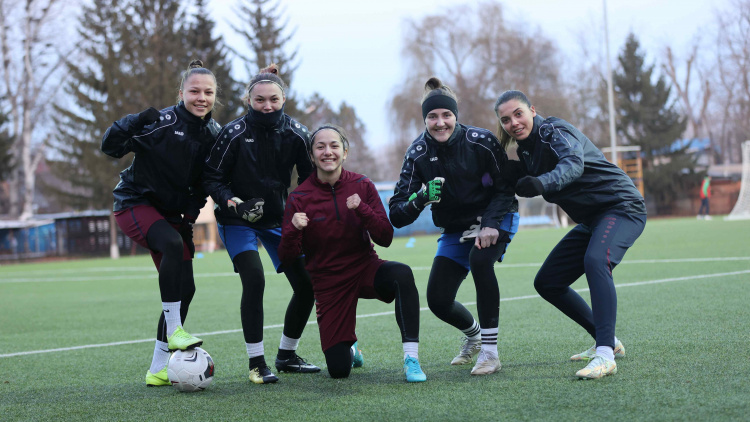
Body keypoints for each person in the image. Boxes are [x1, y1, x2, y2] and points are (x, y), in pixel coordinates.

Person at [494, 90, 647, 380]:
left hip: (621, 206)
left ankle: (604, 356)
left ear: (532, 111)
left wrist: (541, 182)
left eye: (518, 114)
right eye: (505, 120)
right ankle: (610, 343)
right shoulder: (524, 153)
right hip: (592, 221)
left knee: (595, 260)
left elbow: (573, 164)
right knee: (548, 282)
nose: (513, 122)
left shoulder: (555, 131)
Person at [101, 60, 221, 387]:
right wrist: (136, 120)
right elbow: (110, 146)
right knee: (169, 245)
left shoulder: (214, 134)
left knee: (187, 288)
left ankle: (157, 368)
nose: (201, 97)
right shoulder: (162, 123)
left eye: (208, 92)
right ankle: (176, 332)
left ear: (215, 96)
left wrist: (192, 214)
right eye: (194, 91)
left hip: (172, 217)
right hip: (134, 203)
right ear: (181, 92)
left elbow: (206, 183)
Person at [389, 77, 520, 376]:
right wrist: (420, 198)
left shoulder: (481, 141)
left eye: (446, 115)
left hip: (495, 217)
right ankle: (473, 336)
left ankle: (490, 352)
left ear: (455, 115)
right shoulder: (417, 153)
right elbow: (397, 214)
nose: (440, 122)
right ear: (424, 119)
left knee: (480, 261)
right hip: (456, 229)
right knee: (437, 300)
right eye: (432, 117)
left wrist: (488, 224)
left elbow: (504, 189)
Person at [278, 124, 426, 382]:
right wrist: (293, 230)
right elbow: (287, 257)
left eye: (334, 146)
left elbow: (386, 237)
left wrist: (362, 210)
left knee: (402, 274)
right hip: (328, 283)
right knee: (339, 371)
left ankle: (411, 358)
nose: (328, 152)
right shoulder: (299, 198)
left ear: (344, 152)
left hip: (364, 269)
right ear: (312, 156)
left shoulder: (362, 185)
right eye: (320, 147)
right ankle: (351, 349)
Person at [203, 64, 320, 384]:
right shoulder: (233, 132)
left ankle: (287, 355)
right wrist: (234, 203)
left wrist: (301, 211)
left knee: (307, 285)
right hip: (237, 221)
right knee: (254, 279)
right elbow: (211, 178)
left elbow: (310, 181)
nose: (267, 106)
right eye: (259, 100)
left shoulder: (298, 133)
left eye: (273, 99)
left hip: (278, 221)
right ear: (248, 100)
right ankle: (257, 363)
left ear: (284, 98)